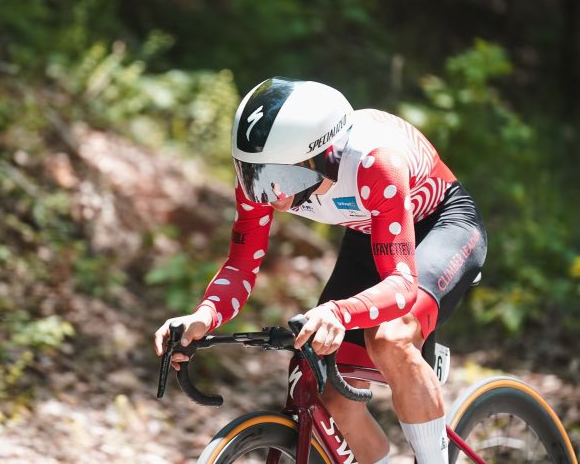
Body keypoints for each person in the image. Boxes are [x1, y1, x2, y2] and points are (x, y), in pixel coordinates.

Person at [153, 77, 487, 464]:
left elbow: (401, 286)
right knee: (328, 393)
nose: (272, 196)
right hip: (370, 232)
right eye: (256, 177)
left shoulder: (376, 162)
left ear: (327, 154)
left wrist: (339, 312)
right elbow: (242, 265)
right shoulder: (264, 178)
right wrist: (204, 315)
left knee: (390, 338)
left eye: (285, 178)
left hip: (442, 226)